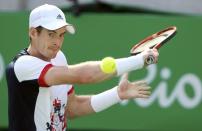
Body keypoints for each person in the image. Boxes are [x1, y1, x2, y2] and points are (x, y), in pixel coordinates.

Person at [6, 4, 159, 131]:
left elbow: (73, 108)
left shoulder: (58, 57)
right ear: (33, 33)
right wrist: (138, 61)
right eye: (51, 34)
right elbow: (85, 76)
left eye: (61, 35)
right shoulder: (22, 66)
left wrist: (117, 94)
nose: (57, 42)